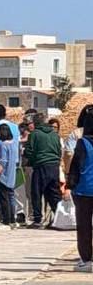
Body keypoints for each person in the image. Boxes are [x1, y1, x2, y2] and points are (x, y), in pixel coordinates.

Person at [24, 111, 63, 227]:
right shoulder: (55, 134)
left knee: (36, 192)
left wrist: (31, 161)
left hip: (41, 166)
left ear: (35, 123)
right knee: (54, 193)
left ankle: (37, 219)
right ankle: (58, 217)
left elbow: (29, 151)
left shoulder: (34, 134)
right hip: (54, 166)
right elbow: (59, 150)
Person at [66, 107, 93, 272]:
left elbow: (76, 166)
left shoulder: (83, 143)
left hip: (84, 190)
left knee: (84, 226)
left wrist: (69, 185)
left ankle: (86, 259)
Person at [0, 124, 17, 226]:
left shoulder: (3, 145)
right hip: (12, 175)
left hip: (3, 176)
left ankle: (5, 220)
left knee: (3, 199)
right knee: (11, 198)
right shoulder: (14, 144)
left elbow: (3, 162)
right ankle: (12, 219)